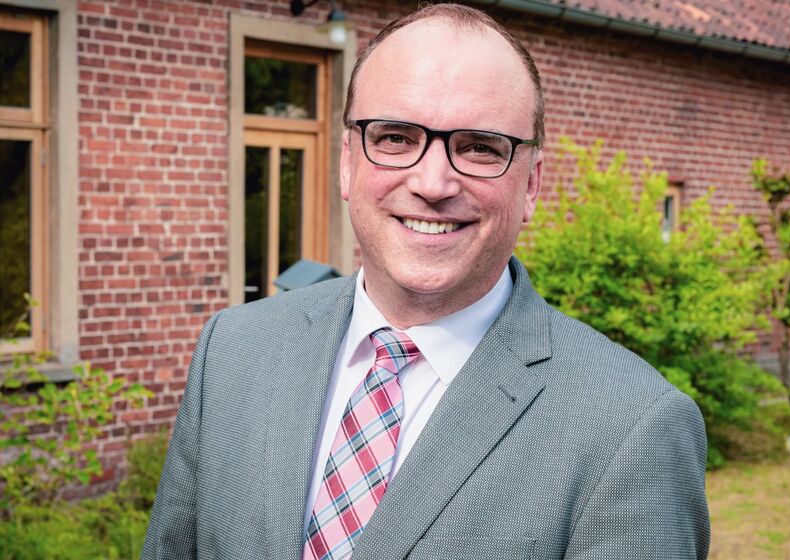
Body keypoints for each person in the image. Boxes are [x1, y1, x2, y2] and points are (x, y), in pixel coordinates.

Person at [142, 4, 710, 560]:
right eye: (395, 138)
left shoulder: (631, 426)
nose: (433, 183)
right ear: (348, 163)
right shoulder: (232, 350)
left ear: (531, 185)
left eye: (480, 147)